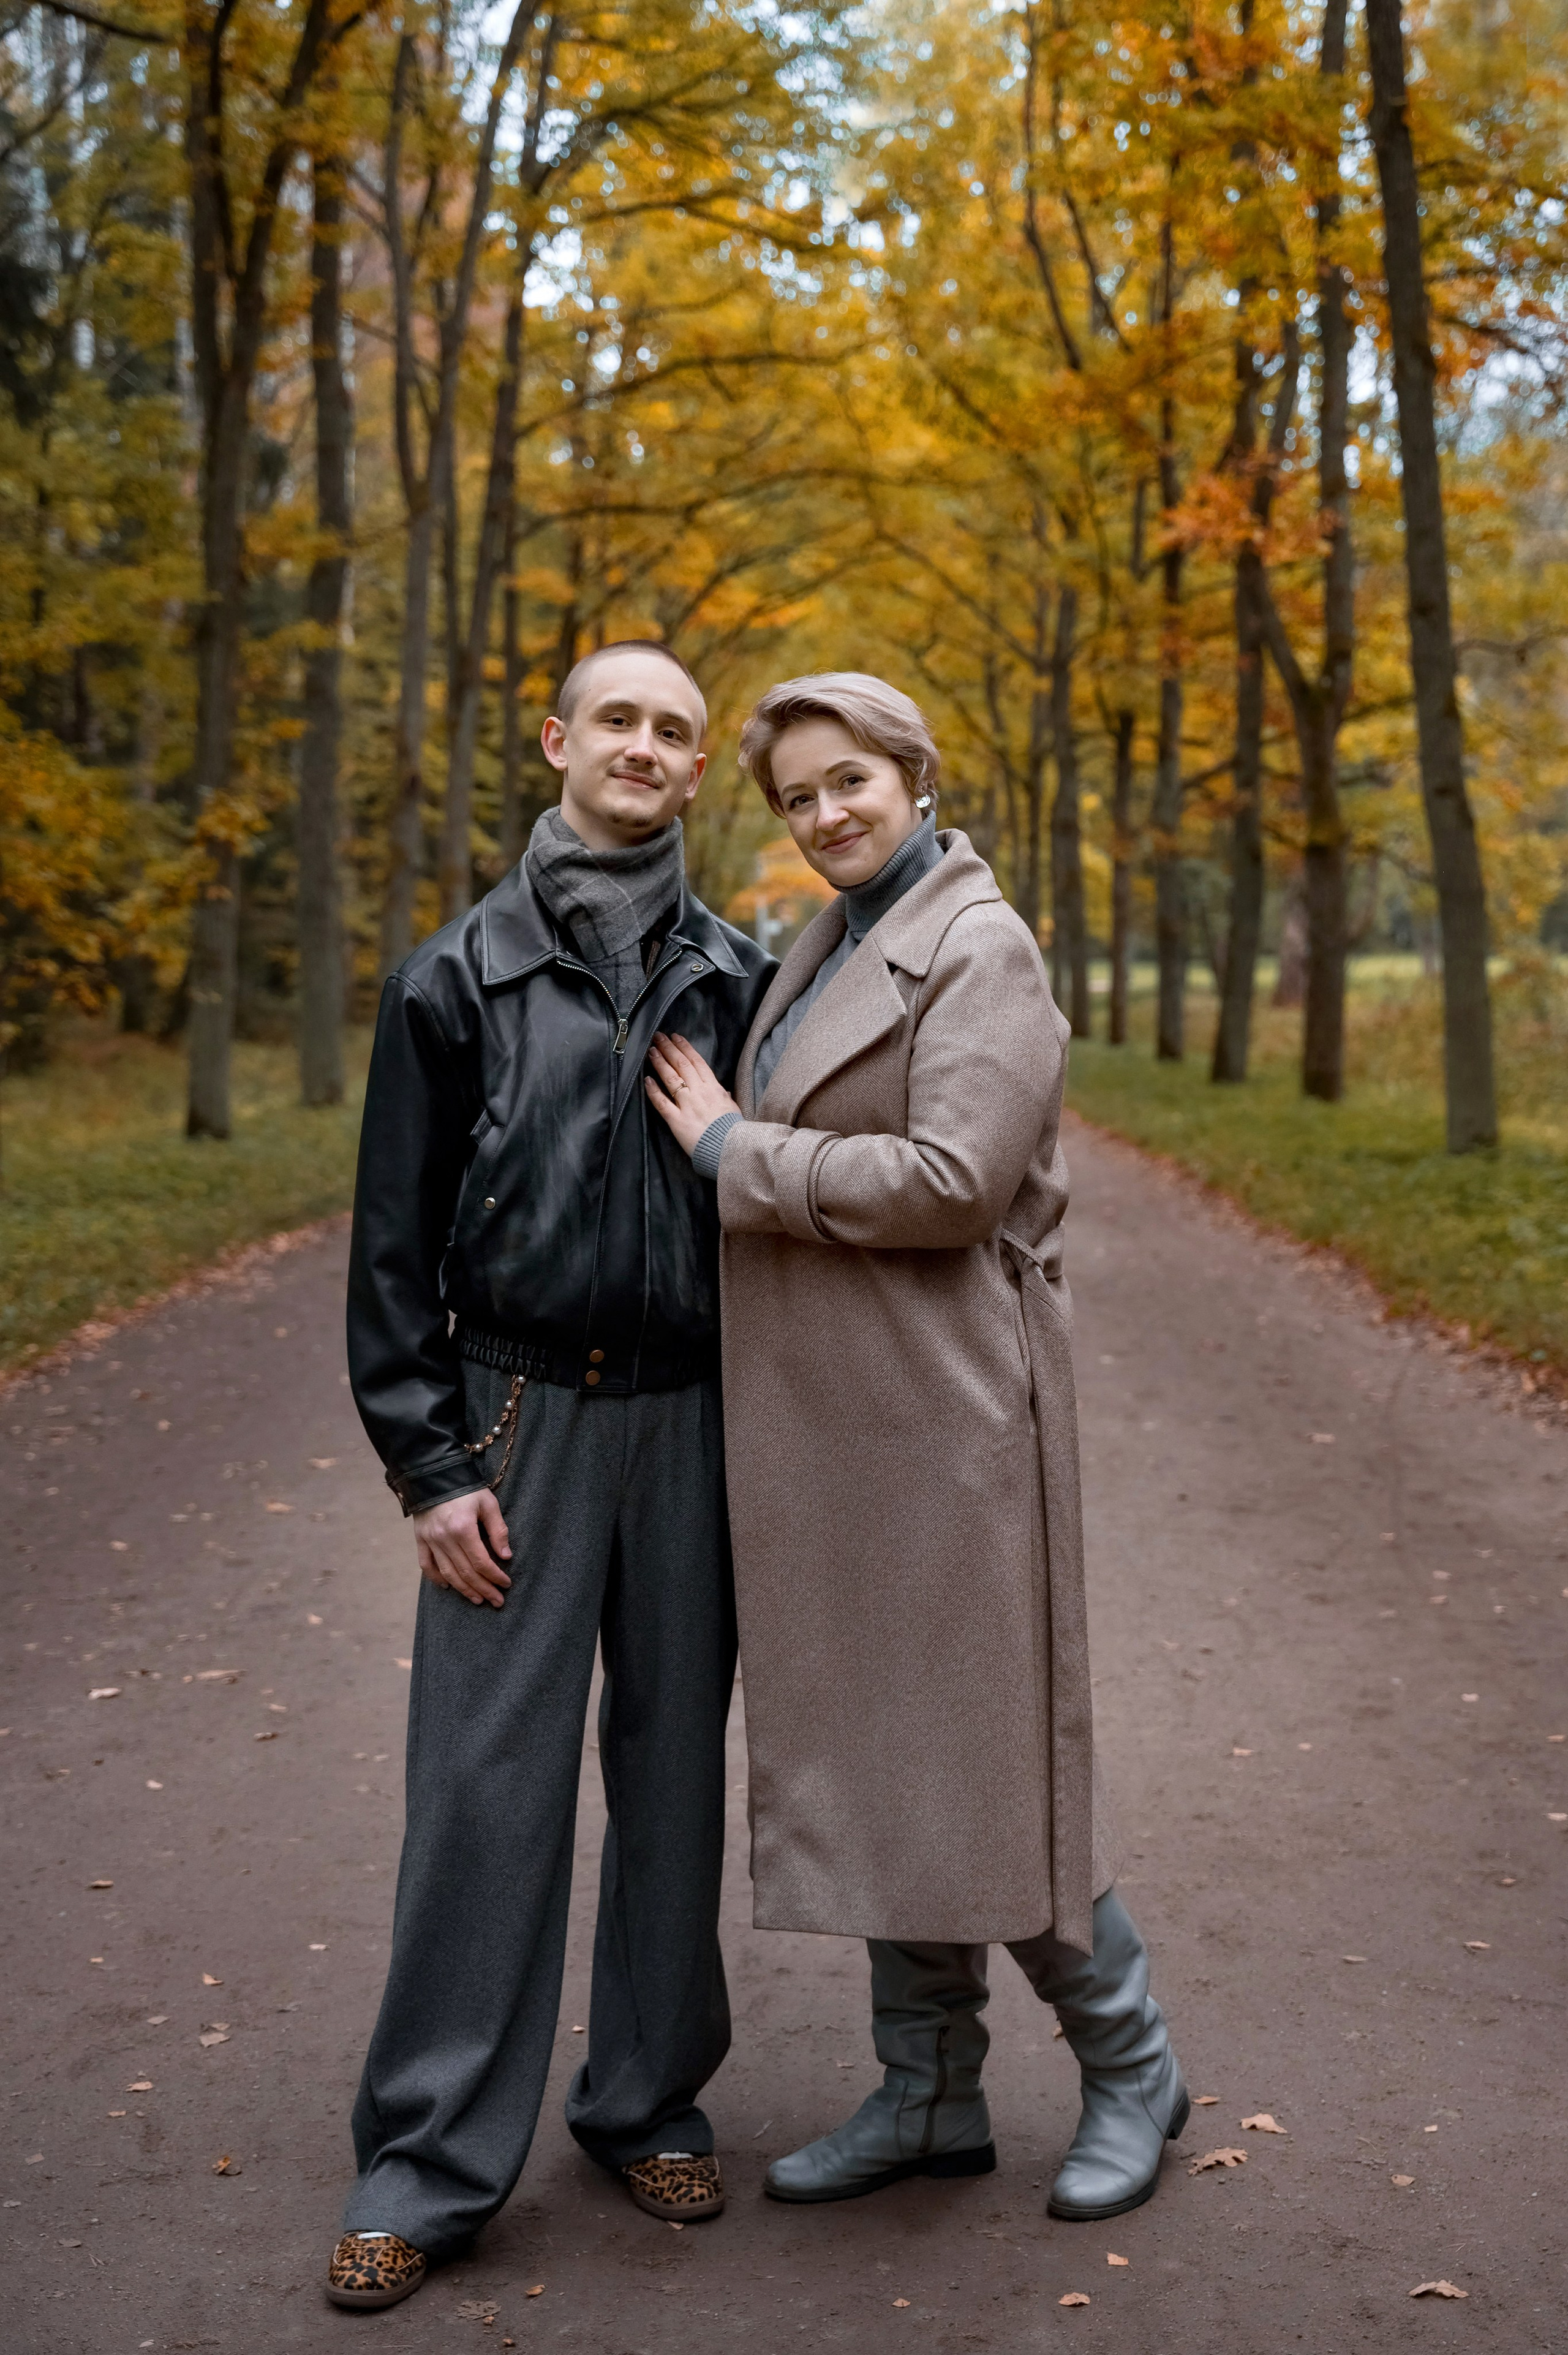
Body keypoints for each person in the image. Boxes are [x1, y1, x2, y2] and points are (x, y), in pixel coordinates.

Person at [645, 671, 1186, 2225]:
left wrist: (736, 1153)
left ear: (912, 772)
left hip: (952, 1413)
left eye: (847, 782)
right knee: (883, 1755)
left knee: (983, 1759)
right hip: (834, 1420)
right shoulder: (823, 943)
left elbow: (952, 1178)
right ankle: (927, 2086)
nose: (823, 815)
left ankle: (1130, 2062)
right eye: (796, 796)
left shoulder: (978, 942)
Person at [326, 641, 774, 2312]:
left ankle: (644, 2094)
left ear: (696, 763)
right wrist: (430, 1463)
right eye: (621, 722)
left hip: (696, 1419)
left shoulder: (745, 971)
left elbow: (786, 1208)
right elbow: (390, 1251)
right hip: (516, 1423)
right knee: (486, 1789)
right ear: (558, 739)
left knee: (672, 1779)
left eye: (675, 729)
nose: (645, 748)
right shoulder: (457, 976)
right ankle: (426, 2158)